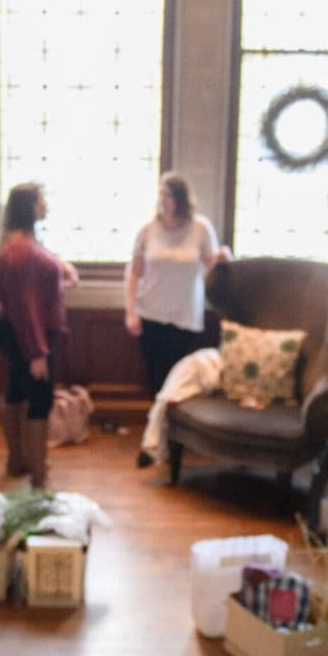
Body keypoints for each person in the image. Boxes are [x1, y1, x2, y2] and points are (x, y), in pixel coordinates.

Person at [125, 172, 230, 462]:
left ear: (181, 198)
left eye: (169, 194)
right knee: (155, 380)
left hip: (184, 316)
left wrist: (223, 258)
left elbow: (211, 265)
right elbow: (134, 272)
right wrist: (131, 311)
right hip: (150, 313)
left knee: (177, 383)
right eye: (161, 194)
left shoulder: (200, 228)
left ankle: (164, 441)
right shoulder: (148, 230)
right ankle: (155, 439)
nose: (163, 200)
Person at [0, 182, 77, 486]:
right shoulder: (20, 251)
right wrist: (37, 353)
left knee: (16, 389)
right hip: (30, 332)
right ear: (29, 208)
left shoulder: (22, 243)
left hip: (20, 328)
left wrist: (61, 267)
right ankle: (37, 473)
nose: (46, 207)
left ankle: (17, 461)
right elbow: (25, 307)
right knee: (39, 398)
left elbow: (37, 277)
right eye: (41, 202)